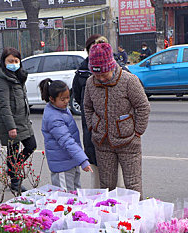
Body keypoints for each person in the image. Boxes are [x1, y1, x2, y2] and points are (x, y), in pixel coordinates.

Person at [84, 43, 150, 195]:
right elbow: (87, 107)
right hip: (102, 141)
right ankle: (109, 215)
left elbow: (143, 106)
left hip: (129, 140)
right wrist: (92, 127)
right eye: (96, 74)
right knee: (106, 184)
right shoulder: (90, 83)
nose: (100, 78)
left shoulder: (129, 81)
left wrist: (138, 132)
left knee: (133, 184)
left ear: (111, 67)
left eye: (104, 74)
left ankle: (136, 216)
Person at [0, 47, 36, 193]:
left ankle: (12, 170)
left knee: (31, 145)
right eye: (10, 61)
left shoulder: (18, 75)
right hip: (11, 123)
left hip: (22, 120)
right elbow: (3, 105)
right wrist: (11, 127)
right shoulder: (1, 79)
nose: (14, 63)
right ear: (3, 62)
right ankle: (14, 182)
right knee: (13, 151)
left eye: (16, 61)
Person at [39, 78, 93, 191]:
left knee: (75, 194)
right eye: (62, 99)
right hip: (62, 166)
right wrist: (83, 160)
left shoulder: (62, 110)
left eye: (68, 97)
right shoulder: (54, 117)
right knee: (65, 198)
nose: (66, 101)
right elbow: (67, 140)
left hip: (71, 160)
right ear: (51, 99)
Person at [72, 34, 108, 187]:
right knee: (97, 179)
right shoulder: (82, 74)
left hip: (117, 136)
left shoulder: (120, 72)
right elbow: (79, 99)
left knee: (117, 181)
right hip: (92, 131)